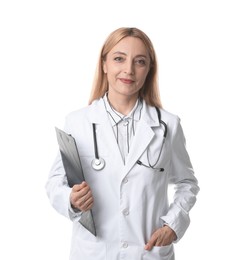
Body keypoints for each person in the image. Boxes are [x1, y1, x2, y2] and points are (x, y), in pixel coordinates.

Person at [46, 27, 199, 260]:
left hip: (147, 251)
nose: (128, 70)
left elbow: (187, 183)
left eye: (140, 62)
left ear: (149, 70)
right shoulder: (78, 122)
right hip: (95, 252)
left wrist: (173, 225)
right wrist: (71, 200)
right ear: (104, 64)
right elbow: (55, 183)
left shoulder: (168, 125)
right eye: (119, 59)